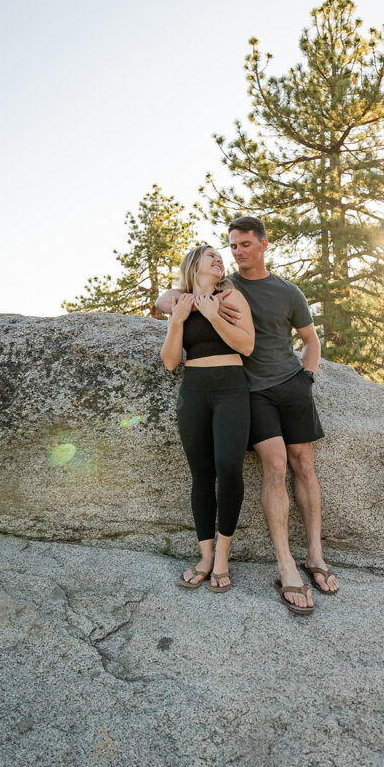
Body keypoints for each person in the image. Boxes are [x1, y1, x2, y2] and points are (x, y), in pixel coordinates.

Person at [157, 217, 340, 614]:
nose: (235, 253)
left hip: (287, 385)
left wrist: (307, 377)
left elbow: (306, 340)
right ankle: (283, 564)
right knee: (271, 466)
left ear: (262, 244)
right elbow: (169, 299)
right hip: (247, 393)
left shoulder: (283, 291)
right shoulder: (225, 287)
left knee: (303, 463)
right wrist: (180, 308)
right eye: (229, 248)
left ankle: (315, 556)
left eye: (242, 245)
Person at [160, 244, 255, 593]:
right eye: (209, 255)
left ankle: (223, 556)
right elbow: (171, 362)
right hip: (195, 392)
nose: (219, 259)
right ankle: (205, 555)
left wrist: (214, 315)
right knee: (201, 474)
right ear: (193, 265)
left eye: (221, 256)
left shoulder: (231, 298)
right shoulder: (179, 303)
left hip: (231, 389)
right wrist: (178, 321)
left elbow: (247, 346)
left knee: (229, 468)